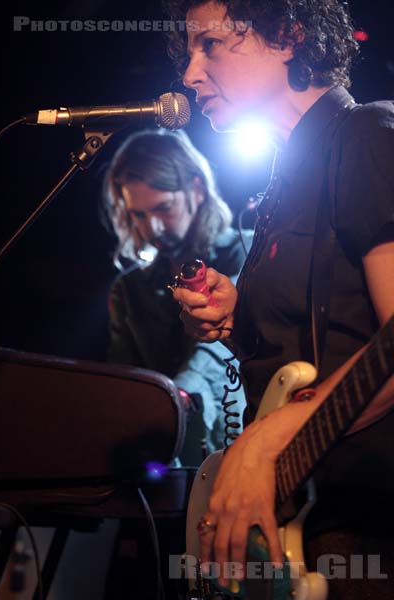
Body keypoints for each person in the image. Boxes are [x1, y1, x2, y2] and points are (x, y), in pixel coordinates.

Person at [164, 0, 394, 596]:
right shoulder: (277, 186)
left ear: (288, 35)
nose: (189, 74)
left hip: (365, 529)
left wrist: (265, 441)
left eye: (209, 45)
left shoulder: (368, 136)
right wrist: (237, 313)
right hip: (306, 520)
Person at [104, 128, 251, 466]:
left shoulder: (247, 252)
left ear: (197, 190)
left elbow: (214, 342)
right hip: (162, 470)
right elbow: (120, 377)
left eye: (163, 208)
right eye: (138, 215)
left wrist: (178, 395)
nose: (152, 228)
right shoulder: (128, 290)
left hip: (237, 458)